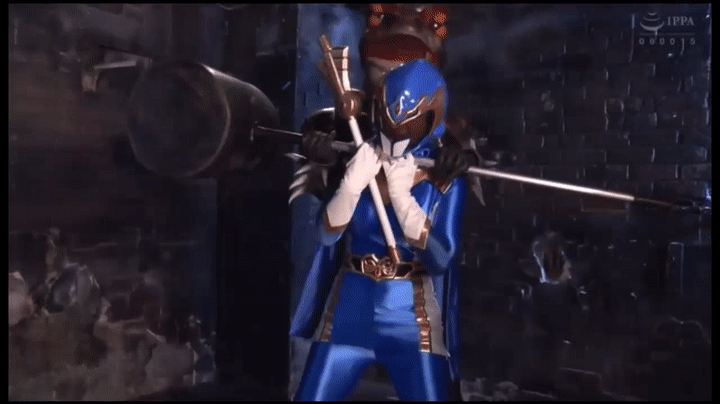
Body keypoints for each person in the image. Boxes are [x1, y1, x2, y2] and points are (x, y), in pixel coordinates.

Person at [291, 59, 468, 401]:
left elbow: (441, 258)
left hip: (411, 321)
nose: (393, 131)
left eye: (408, 119)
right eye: (387, 117)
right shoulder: (359, 158)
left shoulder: (443, 177)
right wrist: (349, 186)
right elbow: (327, 235)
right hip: (348, 311)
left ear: (430, 118)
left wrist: (404, 201)